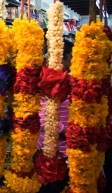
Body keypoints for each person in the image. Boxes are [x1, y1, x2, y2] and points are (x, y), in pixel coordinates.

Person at [37, 39, 73, 193]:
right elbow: (42, 116)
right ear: (62, 57)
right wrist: (65, 131)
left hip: (68, 152)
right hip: (50, 153)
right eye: (71, 56)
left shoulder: (71, 79)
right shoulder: (47, 80)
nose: (74, 60)